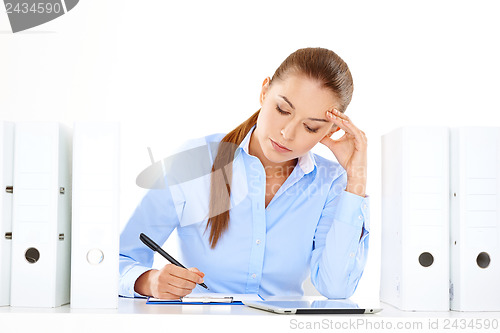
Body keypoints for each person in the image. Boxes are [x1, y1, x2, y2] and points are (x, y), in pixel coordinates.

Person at [119, 47, 369, 300]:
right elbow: (120, 259)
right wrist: (148, 282)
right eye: (282, 110)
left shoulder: (331, 182)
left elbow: (336, 288)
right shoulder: (196, 161)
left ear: (329, 131)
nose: (288, 133)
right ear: (264, 91)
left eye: (310, 127)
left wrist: (355, 179)